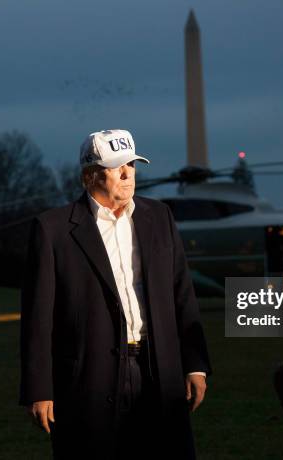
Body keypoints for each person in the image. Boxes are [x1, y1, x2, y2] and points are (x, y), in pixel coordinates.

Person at [19, 129, 212, 459]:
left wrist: (195, 365)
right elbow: (38, 318)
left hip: (158, 368)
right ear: (88, 176)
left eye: (132, 165)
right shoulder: (52, 229)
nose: (127, 174)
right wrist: (39, 388)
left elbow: (182, 295)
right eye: (116, 167)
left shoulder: (159, 217)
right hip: (88, 377)